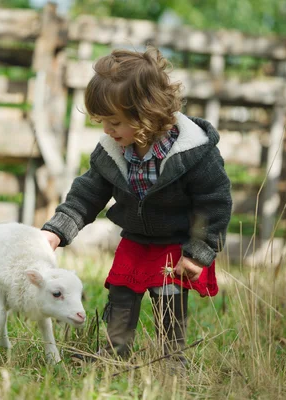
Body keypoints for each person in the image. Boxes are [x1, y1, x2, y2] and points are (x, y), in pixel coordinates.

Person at [41, 47, 232, 367]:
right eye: (102, 121)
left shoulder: (194, 153)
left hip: (175, 243)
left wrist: (199, 252)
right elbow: (87, 195)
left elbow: (214, 202)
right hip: (136, 239)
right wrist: (57, 231)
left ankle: (172, 359)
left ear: (146, 115)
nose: (106, 130)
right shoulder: (112, 152)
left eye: (113, 121)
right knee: (121, 295)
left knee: (169, 300)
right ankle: (115, 352)